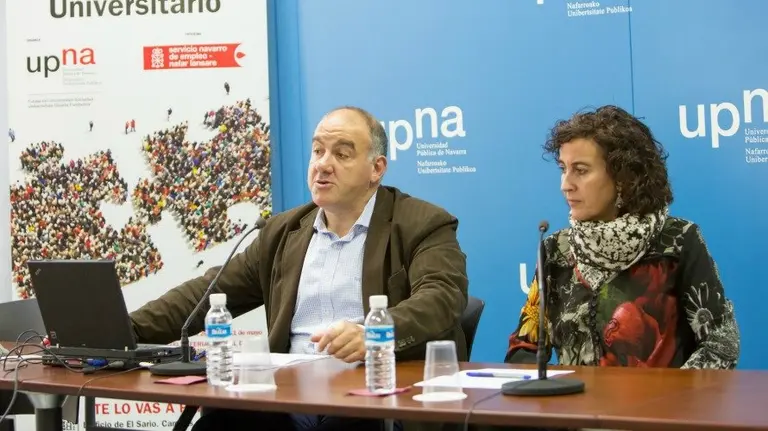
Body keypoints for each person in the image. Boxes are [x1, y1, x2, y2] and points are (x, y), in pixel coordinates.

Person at [129, 106, 469, 431]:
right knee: (221, 421)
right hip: (288, 398)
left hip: (373, 398)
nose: (323, 165)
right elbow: (208, 292)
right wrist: (125, 331)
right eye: (318, 151)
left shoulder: (421, 223)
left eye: (342, 154)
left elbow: (442, 296)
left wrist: (373, 333)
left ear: (376, 169)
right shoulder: (282, 232)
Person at [506, 105, 740, 372]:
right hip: (575, 409)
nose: (565, 184)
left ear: (623, 178)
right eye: (563, 169)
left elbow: (720, 344)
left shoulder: (678, 241)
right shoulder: (554, 250)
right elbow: (523, 348)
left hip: (662, 410)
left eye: (580, 170)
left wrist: (674, 398)